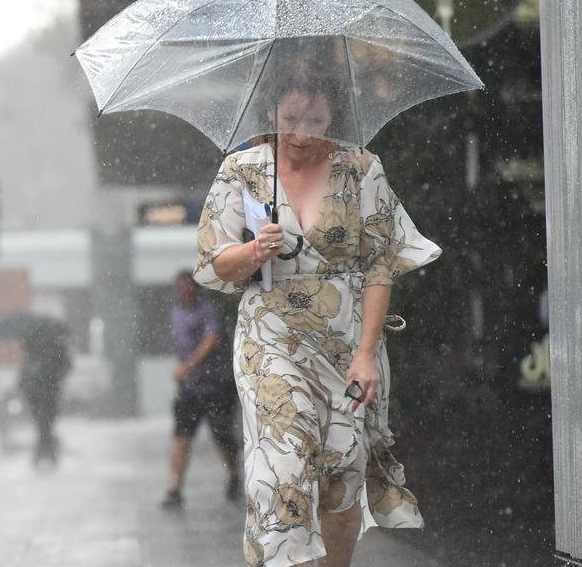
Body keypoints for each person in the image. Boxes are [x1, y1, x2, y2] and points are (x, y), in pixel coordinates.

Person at [194, 74, 440, 567]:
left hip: (347, 339)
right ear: (270, 114)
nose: (302, 132)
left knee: (342, 469)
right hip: (270, 335)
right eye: (291, 120)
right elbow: (214, 262)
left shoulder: (362, 168)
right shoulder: (242, 170)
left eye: (315, 121)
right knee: (282, 461)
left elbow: (380, 265)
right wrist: (253, 248)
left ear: (334, 119)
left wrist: (367, 354)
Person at [161, 270, 241, 511]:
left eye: (189, 286)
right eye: (181, 287)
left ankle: (234, 474)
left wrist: (188, 365)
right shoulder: (176, 312)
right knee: (181, 437)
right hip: (190, 387)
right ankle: (175, 488)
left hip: (216, 384)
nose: (185, 291)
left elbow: (211, 340)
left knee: (222, 435)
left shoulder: (207, 310)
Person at [17, 316, 72, 467]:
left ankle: (43, 453)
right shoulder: (57, 347)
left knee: (42, 423)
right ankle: (46, 453)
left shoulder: (35, 349)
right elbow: (66, 366)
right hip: (49, 390)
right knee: (46, 423)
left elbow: (25, 370)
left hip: (36, 390)